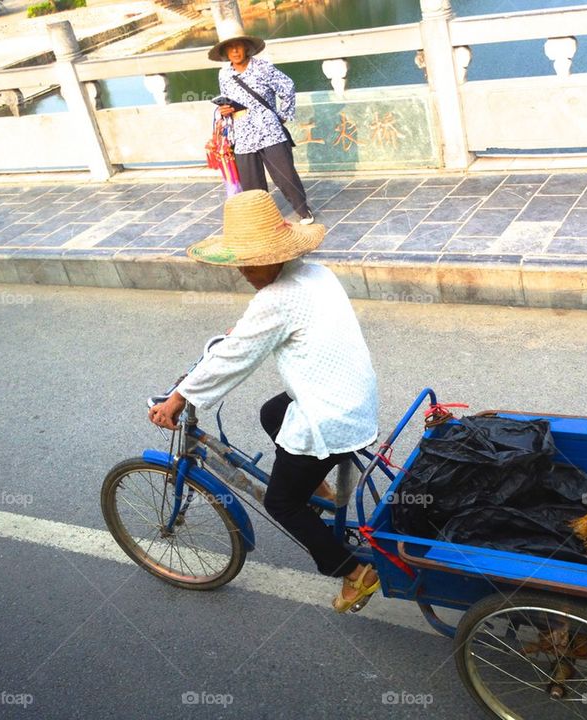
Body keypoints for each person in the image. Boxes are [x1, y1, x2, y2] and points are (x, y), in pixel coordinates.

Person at [148, 189, 380, 613]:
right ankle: (319, 487)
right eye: (241, 262)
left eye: (251, 262)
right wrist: (240, 334)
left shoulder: (276, 299)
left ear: (274, 257)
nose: (243, 271)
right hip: (352, 393)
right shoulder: (315, 274)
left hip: (332, 414)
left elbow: (236, 357)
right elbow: (254, 332)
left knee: (281, 502)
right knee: (273, 412)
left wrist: (180, 397)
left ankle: (353, 571)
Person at [208, 25, 314, 225]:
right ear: (225, 52)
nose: (235, 51)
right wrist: (225, 111)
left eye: (239, 46)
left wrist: (282, 115)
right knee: (251, 182)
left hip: (269, 131)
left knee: (285, 175)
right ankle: (263, 219)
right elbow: (227, 100)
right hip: (242, 135)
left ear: (247, 48)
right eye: (230, 48)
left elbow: (288, 87)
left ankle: (303, 211)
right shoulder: (224, 74)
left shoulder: (263, 67)